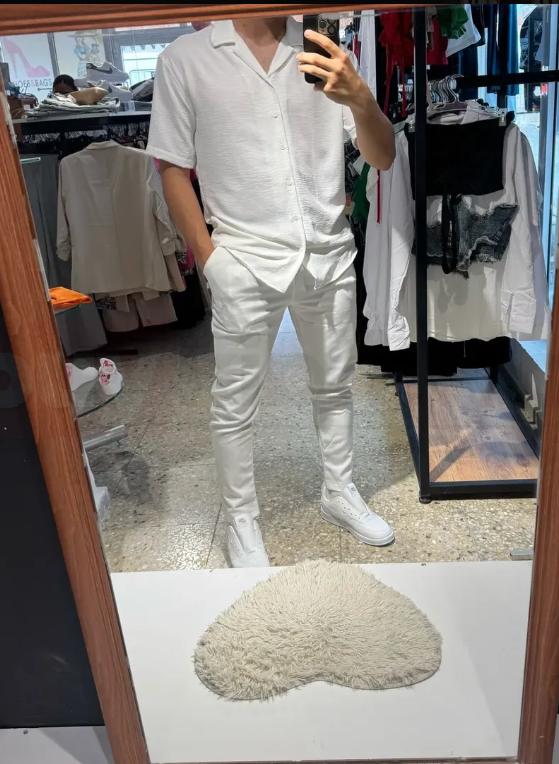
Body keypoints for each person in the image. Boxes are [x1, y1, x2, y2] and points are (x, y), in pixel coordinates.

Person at [146, 17, 397, 568]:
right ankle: (242, 521)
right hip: (243, 260)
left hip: (327, 254)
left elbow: (382, 157)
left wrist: (361, 98)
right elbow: (172, 167)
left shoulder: (322, 48)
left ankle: (339, 491)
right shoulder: (186, 58)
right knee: (235, 403)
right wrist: (211, 260)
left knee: (335, 387)